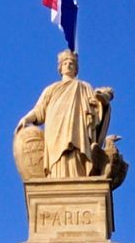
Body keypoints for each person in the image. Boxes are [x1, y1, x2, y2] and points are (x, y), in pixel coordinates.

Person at [17, 50, 99, 178]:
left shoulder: (83, 87)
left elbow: (96, 109)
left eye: (71, 63)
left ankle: (78, 176)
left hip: (76, 126)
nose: (68, 65)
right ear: (60, 68)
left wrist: (103, 100)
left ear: (76, 69)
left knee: (75, 150)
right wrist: (26, 118)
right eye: (65, 63)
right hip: (55, 128)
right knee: (57, 156)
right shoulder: (51, 88)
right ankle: (55, 176)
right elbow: (40, 109)